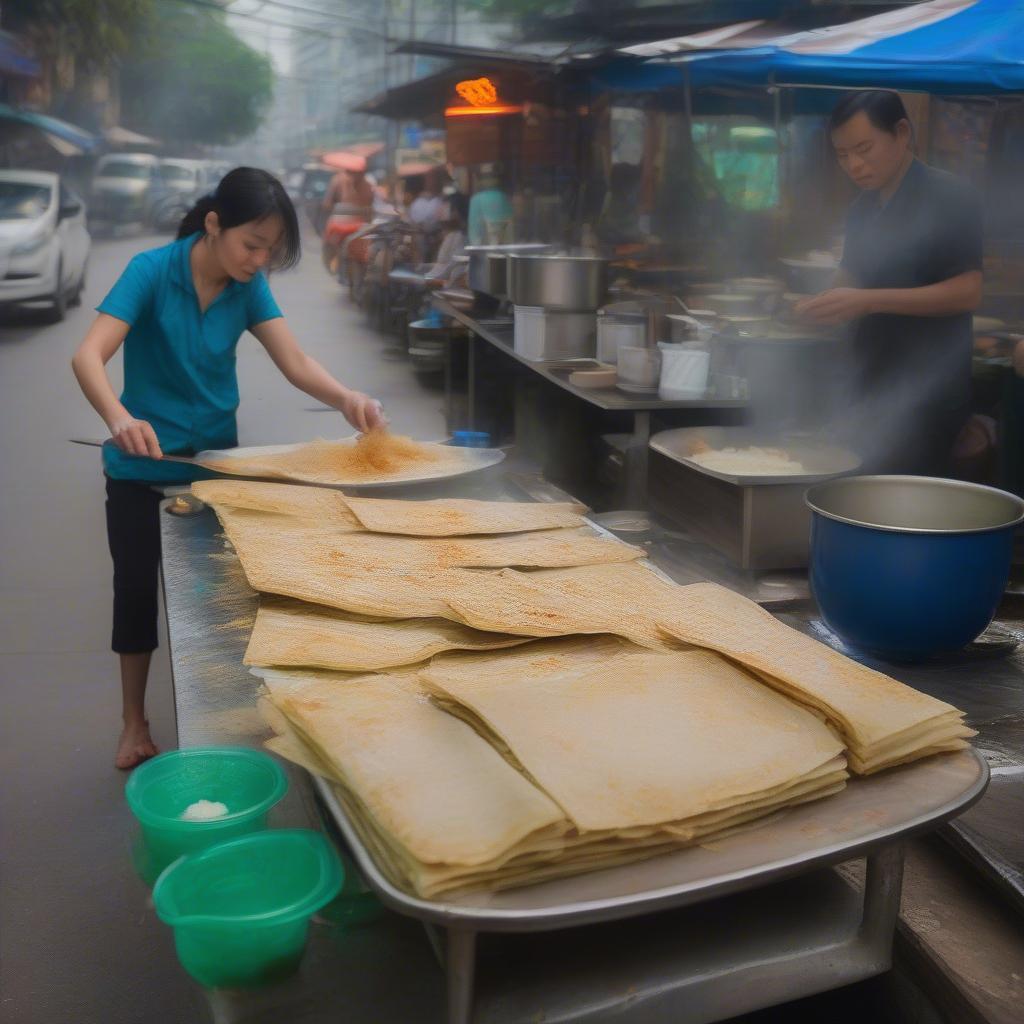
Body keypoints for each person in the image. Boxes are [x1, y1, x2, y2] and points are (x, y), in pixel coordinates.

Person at [71, 167, 384, 769]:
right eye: (252, 244)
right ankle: (132, 722)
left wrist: (348, 398)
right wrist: (118, 417)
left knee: (220, 595)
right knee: (136, 592)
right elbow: (88, 355)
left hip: (214, 465)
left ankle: (227, 718)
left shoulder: (248, 285)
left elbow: (294, 360)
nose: (259, 260)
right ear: (214, 225)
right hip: (140, 466)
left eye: (270, 250)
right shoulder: (151, 272)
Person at [797, 90, 983, 475]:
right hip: (867, 385)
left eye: (864, 148)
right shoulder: (861, 210)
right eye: (843, 155)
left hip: (927, 393)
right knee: (856, 498)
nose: (855, 165)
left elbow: (968, 291)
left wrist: (867, 301)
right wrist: (818, 304)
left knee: (904, 508)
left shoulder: (949, 196)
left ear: (901, 133)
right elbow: (852, 277)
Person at [467, 163, 514, 245]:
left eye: (492, 176)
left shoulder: (476, 199)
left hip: (488, 246)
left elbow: (474, 231)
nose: (489, 180)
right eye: (486, 177)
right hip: (502, 246)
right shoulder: (505, 197)